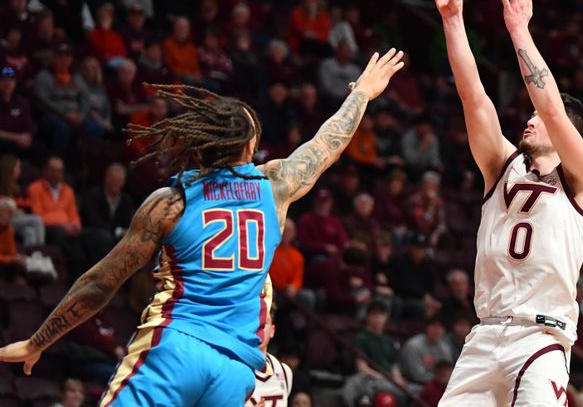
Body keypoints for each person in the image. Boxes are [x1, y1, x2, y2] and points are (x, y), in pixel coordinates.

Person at [0, 48, 404, 405]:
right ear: (249, 148)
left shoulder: (170, 202)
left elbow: (101, 283)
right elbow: (325, 144)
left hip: (177, 347)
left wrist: (39, 342)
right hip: (235, 372)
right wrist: (362, 93)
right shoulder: (276, 188)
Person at [427, 0, 583, 405]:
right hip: (485, 336)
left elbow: (553, 108)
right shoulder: (501, 167)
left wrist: (519, 31)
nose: (529, 117)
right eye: (528, 114)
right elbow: (473, 96)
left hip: (541, 338)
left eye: (537, 118)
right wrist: (453, 20)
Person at [247, 303, 294, 407]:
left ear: (272, 331)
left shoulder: (285, 372)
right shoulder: (232, 370)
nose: (259, 328)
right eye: (256, 321)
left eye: (265, 322)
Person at [399, 314, 454, 390]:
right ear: (427, 327)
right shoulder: (413, 345)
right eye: (434, 326)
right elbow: (417, 375)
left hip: (439, 384)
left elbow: (449, 372)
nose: (437, 330)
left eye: (441, 327)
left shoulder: (445, 348)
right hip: (413, 383)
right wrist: (441, 379)